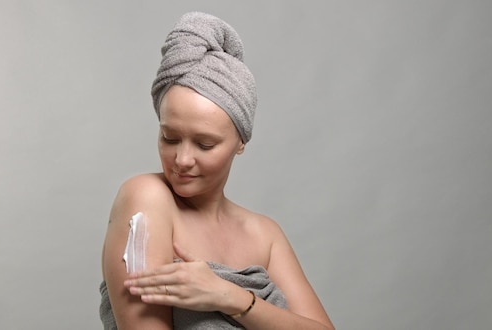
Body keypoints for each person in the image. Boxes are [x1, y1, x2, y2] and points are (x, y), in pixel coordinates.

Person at [100, 12, 334, 329]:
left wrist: (227, 297)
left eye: (205, 144)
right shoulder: (146, 199)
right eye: (169, 137)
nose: (182, 159)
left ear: (240, 142)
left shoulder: (265, 234)